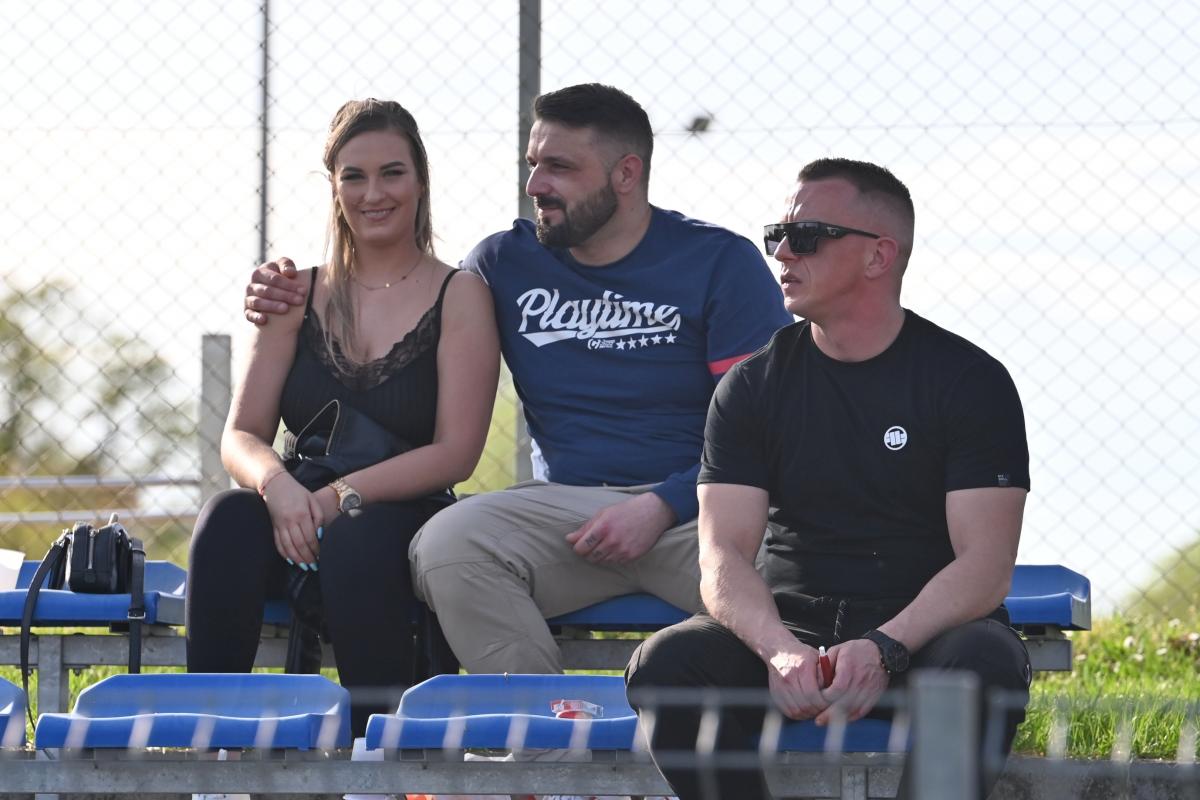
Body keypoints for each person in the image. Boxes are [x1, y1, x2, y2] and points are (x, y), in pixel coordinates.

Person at [242, 83, 793, 676]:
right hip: (564, 517)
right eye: (533, 164)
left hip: (702, 514)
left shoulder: (719, 262)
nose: (535, 185)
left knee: (806, 575)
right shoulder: (503, 264)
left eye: (559, 167)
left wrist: (660, 505)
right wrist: (284, 288)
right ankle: (543, 721)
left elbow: (767, 427)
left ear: (626, 173)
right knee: (448, 547)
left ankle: (779, 714)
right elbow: (400, 299)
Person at [624, 158, 1033, 800]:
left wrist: (885, 647)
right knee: (669, 663)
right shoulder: (753, 385)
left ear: (878, 256)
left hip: (920, 636)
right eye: (777, 235)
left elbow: (985, 567)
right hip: (793, 637)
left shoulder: (968, 381)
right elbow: (722, 555)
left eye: (807, 236)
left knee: (984, 662)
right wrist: (779, 651)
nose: (783, 253)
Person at [187, 98, 500, 736]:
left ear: (421, 182)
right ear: (333, 186)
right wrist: (277, 487)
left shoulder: (461, 293)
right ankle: (211, 742)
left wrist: (338, 498)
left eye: (392, 173)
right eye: (353, 176)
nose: (373, 193)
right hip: (297, 507)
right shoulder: (291, 292)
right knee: (226, 519)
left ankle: (375, 751)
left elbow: (457, 452)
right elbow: (241, 434)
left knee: (359, 537)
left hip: (401, 510)